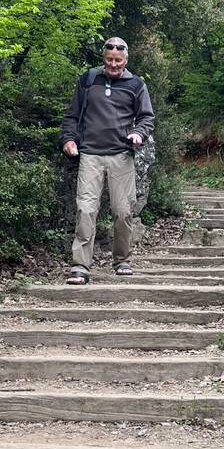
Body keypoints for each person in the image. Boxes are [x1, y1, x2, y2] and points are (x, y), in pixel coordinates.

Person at [60, 37, 155, 285]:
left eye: (118, 60)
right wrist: (68, 140)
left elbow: (146, 118)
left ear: (126, 60)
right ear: (104, 58)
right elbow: (72, 115)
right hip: (90, 154)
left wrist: (138, 133)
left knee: (123, 211)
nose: (113, 64)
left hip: (121, 155)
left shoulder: (136, 85)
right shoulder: (89, 79)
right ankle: (80, 266)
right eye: (109, 59)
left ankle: (122, 259)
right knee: (86, 209)